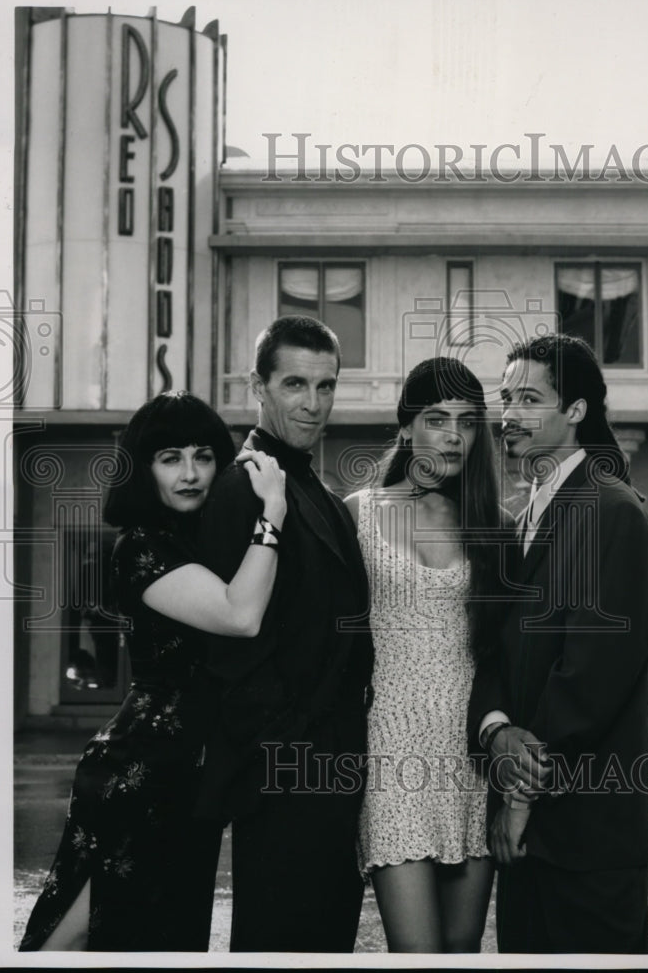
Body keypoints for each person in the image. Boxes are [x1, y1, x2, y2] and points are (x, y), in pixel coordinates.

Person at [19, 391, 287, 952]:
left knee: (165, 941)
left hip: (192, 781)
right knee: (80, 937)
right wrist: (273, 515)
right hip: (140, 772)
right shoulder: (140, 546)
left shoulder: (197, 542)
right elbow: (241, 617)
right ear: (145, 470)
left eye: (203, 456)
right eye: (170, 458)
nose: (190, 473)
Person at [468, 333, 648, 954]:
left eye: (529, 399)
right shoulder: (525, 516)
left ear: (575, 411)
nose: (509, 415)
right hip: (529, 845)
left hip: (586, 835)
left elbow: (591, 682)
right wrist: (495, 730)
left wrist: (519, 797)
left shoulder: (613, 509)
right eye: (504, 398)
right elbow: (494, 649)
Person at [194, 315, 374, 953]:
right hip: (287, 772)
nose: (313, 402)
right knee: (283, 947)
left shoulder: (316, 490)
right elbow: (228, 646)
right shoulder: (243, 486)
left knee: (325, 945)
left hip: (335, 770)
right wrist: (287, 754)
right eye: (296, 383)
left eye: (326, 386)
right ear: (258, 385)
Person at [345, 357, 505, 953]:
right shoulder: (357, 513)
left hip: (469, 757)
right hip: (392, 753)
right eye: (436, 418)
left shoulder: (491, 523)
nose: (453, 434)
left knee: (462, 950)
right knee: (417, 953)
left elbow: (500, 653)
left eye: (467, 421)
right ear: (406, 426)